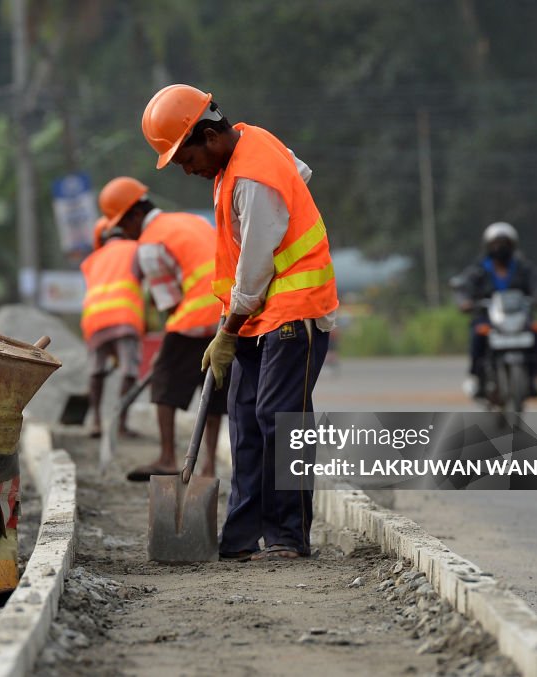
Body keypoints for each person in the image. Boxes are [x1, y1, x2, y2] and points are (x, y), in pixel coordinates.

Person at [141, 84, 338, 561]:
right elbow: (301, 172)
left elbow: (254, 265)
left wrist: (226, 331)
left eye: (186, 159)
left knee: (279, 418)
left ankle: (288, 536)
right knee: (246, 422)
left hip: (294, 308)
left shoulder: (252, 177)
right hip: (256, 312)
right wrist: (232, 323)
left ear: (208, 135)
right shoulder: (247, 148)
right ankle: (241, 536)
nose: (188, 171)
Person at [97, 176, 227, 481]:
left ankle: (168, 457)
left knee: (163, 382)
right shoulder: (187, 220)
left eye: (123, 226)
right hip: (228, 314)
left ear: (135, 215)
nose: (125, 234)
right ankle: (208, 467)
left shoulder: (151, 244)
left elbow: (170, 303)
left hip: (196, 317)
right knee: (214, 388)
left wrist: (164, 353)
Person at [456, 221, 537, 398]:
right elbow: (464, 286)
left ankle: (533, 377)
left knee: (536, 330)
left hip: (518, 317)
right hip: (488, 317)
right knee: (478, 333)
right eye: (496, 244)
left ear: (513, 246)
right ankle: (476, 376)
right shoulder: (479, 270)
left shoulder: (522, 268)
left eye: (504, 244)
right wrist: (465, 301)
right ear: (488, 246)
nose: (500, 248)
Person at [79, 217, 145, 439]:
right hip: (124, 317)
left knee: (96, 370)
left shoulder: (91, 259)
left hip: (94, 320)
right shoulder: (135, 249)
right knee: (129, 370)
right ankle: (120, 424)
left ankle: (96, 421)